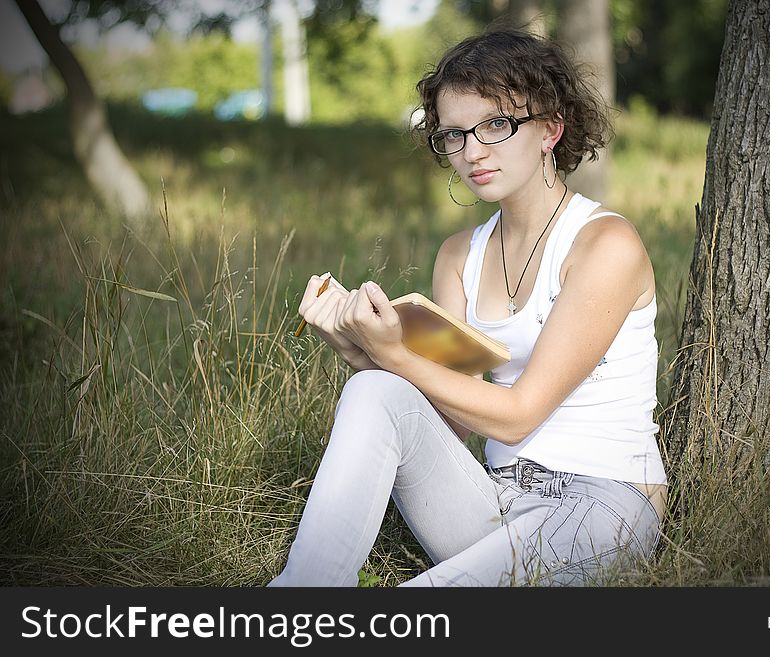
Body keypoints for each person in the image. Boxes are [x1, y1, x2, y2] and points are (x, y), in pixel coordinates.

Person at [268, 29, 667, 587]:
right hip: (494, 497)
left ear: (551, 129)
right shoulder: (460, 255)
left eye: (496, 126)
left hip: (601, 503)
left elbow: (520, 413)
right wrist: (362, 353)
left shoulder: (605, 246)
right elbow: (452, 423)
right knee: (374, 390)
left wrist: (397, 355)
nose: (472, 151)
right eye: (454, 134)